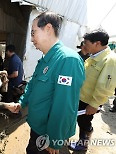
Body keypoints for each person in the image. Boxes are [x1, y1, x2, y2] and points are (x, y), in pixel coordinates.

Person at [14, 12, 85, 154]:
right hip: (37, 127)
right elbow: (33, 85)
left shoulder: (67, 60)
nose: (32, 39)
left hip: (48, 135)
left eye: (33, 33)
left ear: (48, 28)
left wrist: (54, 139)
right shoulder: (46, 60)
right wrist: (21, 102)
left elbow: (64, 106)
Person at [70, 30, 116, 151]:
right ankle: (81, 141)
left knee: (84, 122)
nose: (84, 46)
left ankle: (83, 144)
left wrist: (94, 104)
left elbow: (106, 86)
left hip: (89, 101)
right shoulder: (94, 56)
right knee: (80, 120)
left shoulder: (110, 60)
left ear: (97, 43)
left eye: (86, 43)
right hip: (82, 96)